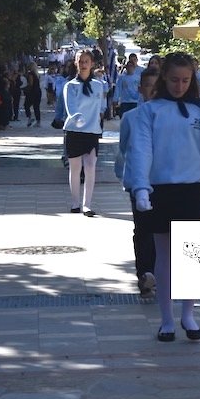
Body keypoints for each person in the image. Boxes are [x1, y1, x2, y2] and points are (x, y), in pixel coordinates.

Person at [129, 52, 200, 342]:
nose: (179, 86)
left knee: (192, 257)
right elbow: (141, 150)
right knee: (164, 257)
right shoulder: (150, 111)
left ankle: (188, 313)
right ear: (163, 79)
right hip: (161, 189)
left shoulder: (199, 112)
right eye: (174, 80)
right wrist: (141, 187)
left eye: (185, 80)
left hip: (191, 190)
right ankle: (167, 319)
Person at [115, 67, 159, 299]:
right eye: (148, 87)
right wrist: (123, 173)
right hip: (138, 182)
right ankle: (145, 274)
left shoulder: (168, 117)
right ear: (140, 89)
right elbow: (124, 148)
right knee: (143, 230)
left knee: (161, 230)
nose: (152, 92)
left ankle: (160, 271)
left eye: (156, 87)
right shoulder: (130, 117)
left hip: (163, 181)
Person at [63, 50, 108, 216]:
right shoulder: (70, 86)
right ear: (76, 63)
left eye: (86, 61)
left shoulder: (98, 84)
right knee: (75, 168)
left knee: (90, 166)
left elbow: (100, 106)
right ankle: (75, 202)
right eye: (80, 61)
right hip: (75, 131)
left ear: (92, 63)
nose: (83, 64)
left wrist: (98, 122)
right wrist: (78, 119)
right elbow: (71, 108)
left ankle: (87, 204)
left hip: (92, 131)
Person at [23, 63, 42, 127]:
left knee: (26, 105)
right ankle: (38, 121)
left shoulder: (30, 74)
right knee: (36, 107)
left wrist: (25, 89)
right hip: (38, 91)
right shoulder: (37, 74)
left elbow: (31, 84)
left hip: (32, 92)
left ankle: (29, 117)